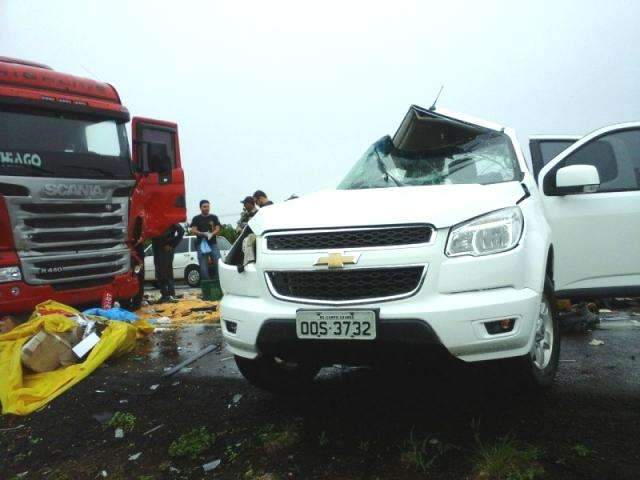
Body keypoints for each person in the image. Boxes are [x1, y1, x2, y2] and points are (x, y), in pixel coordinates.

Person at [152, 223, 185, 303]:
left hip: (166, 247)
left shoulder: (170, 218)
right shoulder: (155, 218)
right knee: (160, 271)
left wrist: (171, 244)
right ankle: (166, 294)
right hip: (156, 246)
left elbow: (181, 231)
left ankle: (168, 294)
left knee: (165, 271)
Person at [190, 200, 221, 281]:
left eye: (208, 206)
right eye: (204, 206)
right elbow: (193, 230)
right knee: (203, 266)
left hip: (213, 243)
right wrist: (203, 234)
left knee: (218, 263)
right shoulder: (196, 218)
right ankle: (207, 284)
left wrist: (211, 234)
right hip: (201, 244)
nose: (206, 208)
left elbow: (217, 229)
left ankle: (219, 283)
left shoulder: (214, 217)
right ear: (200, 208)